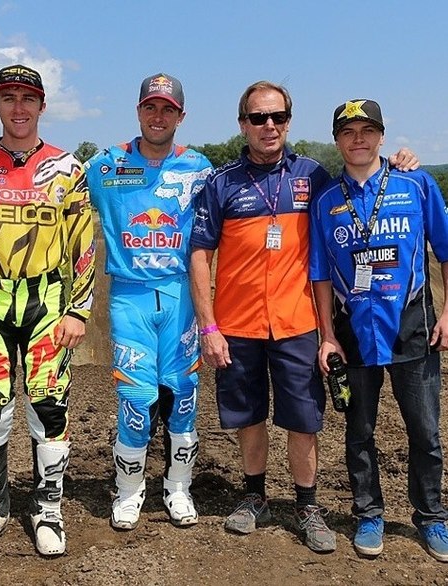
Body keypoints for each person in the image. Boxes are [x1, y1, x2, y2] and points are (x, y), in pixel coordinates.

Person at [189, 81, 418, 554]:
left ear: (289, 122)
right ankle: (254, 496)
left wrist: (399, 164)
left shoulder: (313, 176)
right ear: (243, 124)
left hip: (298, 324)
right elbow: (200, 255)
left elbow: (362, 181)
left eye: (277, 117)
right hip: (237, 325)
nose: (268, 126)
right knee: (249, 416)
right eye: (258, 118)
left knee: (304, 420)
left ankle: (307, 506)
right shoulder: (221, 182)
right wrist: (208, 327)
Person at [0, 64, 95, 558]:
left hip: (47, 302)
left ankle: (47, 507)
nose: (18, 107)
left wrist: (79, 309)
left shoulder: (67, 167)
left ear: (42, 106)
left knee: (49, 406)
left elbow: (83, 243)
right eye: (8, 97)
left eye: (28, 98)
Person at [310, 98, 448, 561]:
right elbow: (320, 274)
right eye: (348, 132)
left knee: (425, 431)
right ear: (337, 141)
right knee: (359, 431)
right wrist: (327, 334)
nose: (359, 139)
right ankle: (368, 513)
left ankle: (431, 516)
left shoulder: (416, 183)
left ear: (382, 136)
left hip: (414, 327)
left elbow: (445, 250)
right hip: (353, 332)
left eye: (367, 130)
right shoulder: (326, 200)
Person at [84, 73, 212, 530]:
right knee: (135, 400)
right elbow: (56, 194)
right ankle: (129, 490)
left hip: (180, 296)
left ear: (181, 116)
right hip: (129, 297)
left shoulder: (198, 168)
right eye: (151, 107)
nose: (159, 117)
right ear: (138, 110)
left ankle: (178, 487)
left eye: (168, 109)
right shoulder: (105, 165)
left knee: (184, 396)